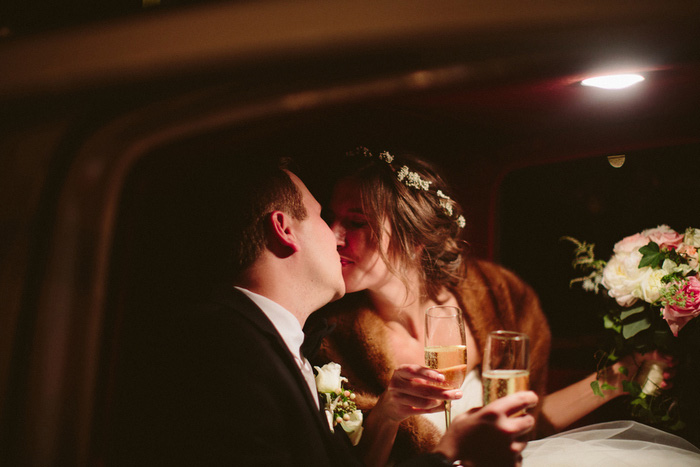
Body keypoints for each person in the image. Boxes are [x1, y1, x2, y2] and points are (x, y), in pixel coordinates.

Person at [110, 156, 538, 466]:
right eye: (323, 217)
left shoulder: (282, 342)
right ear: (283, 229)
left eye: (355, 222)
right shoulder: (225, 351)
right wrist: (449, 452)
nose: (336, 237)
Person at [310, 147, 682, 465]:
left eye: (355, 222)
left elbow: (528, 422)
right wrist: (389, 412)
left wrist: (618, 377)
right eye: (332, 218)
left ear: (414, 239)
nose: (333, 235)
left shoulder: (499, 298)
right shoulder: (333, 338)